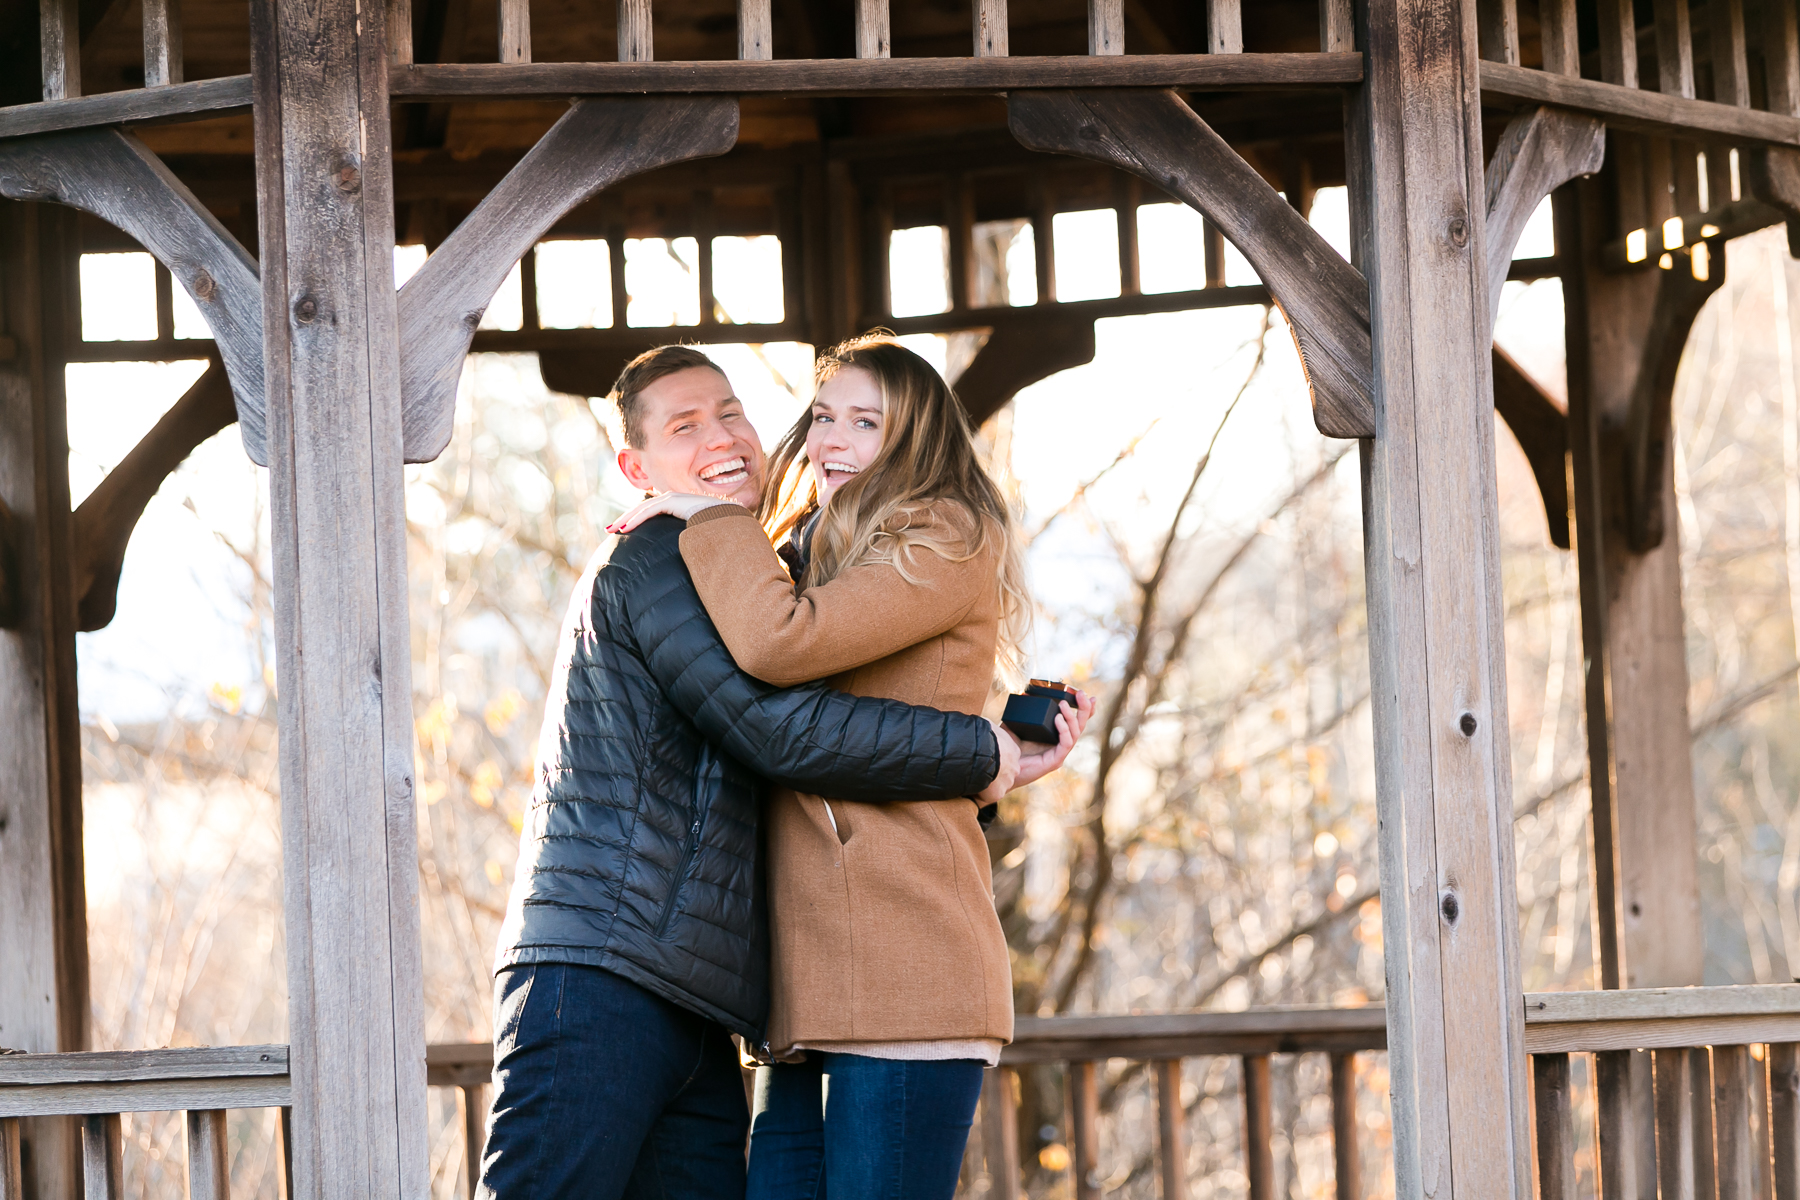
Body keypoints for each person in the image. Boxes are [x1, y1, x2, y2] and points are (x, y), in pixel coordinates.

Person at [479, 345, 1064, 1200]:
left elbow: (824, 674)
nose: (722, 436)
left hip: (703, 995)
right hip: (605, 971)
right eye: (686, 426)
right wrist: (984, 754)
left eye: (730, 412)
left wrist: (985, 742)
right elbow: (777, 727)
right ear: (635, 470)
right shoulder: (659, 558)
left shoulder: (774, 559)